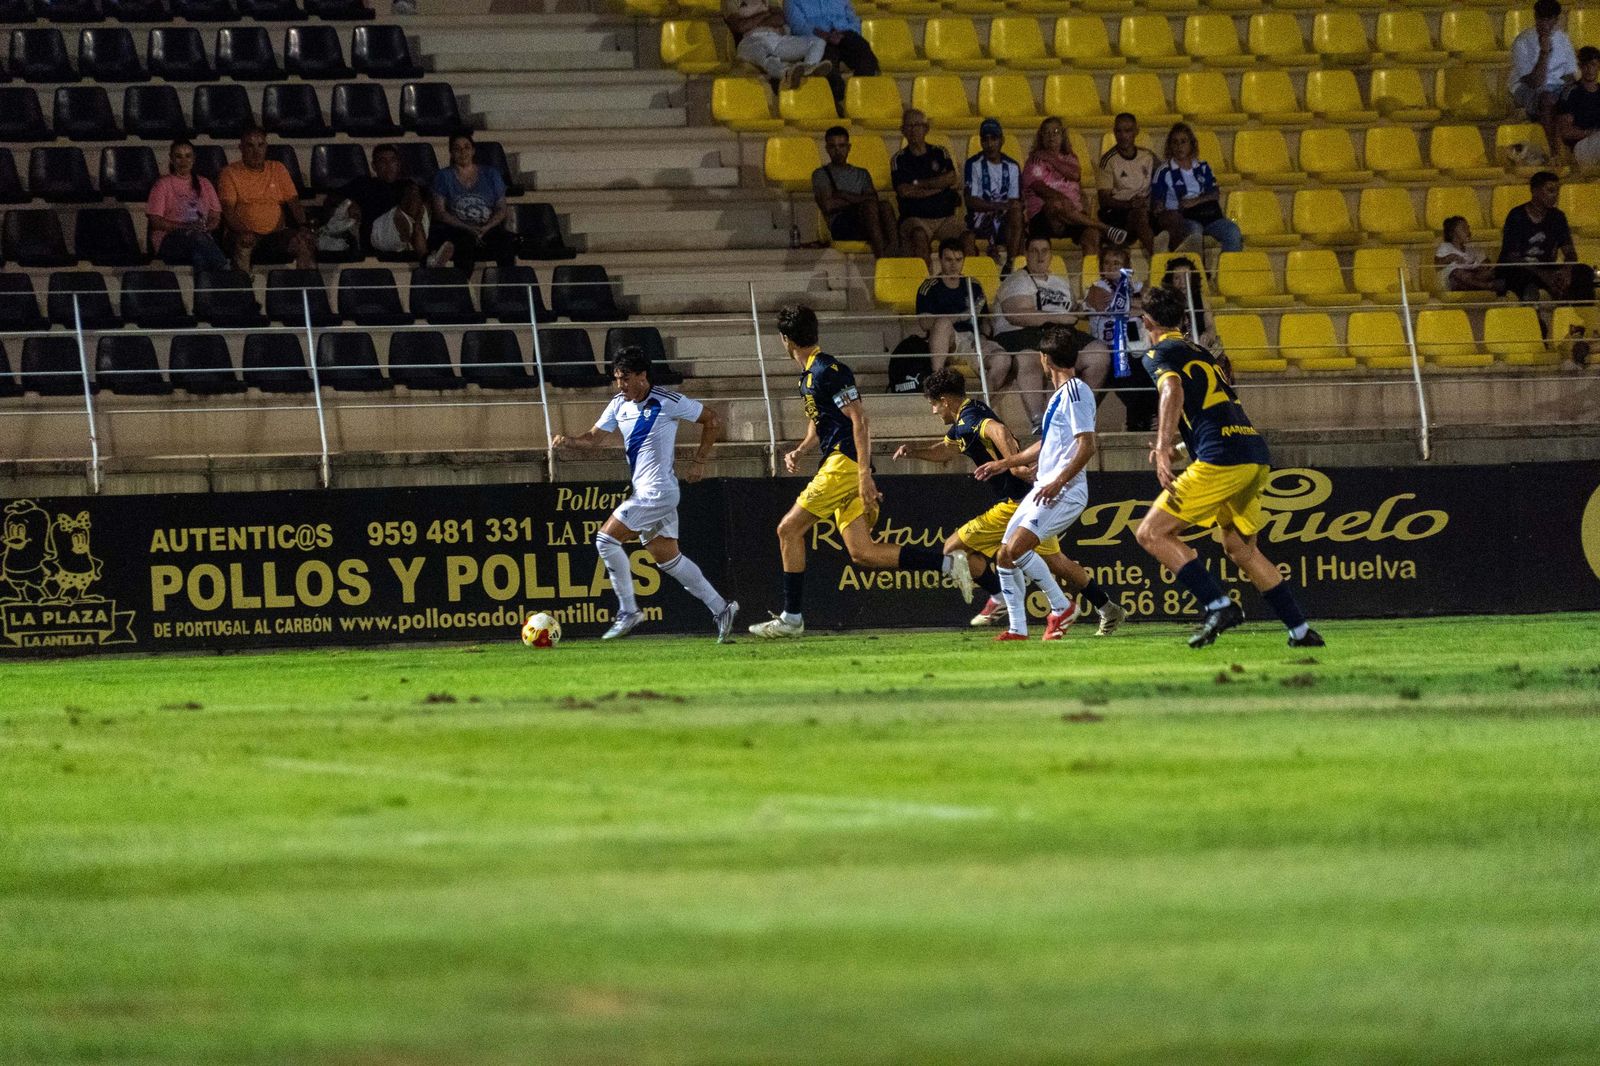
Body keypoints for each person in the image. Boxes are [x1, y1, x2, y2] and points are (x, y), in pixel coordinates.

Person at [747, 305, 975, 639]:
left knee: (788, 530)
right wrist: (801, 449)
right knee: (862, 552)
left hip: (846, 464)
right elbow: (821, 422)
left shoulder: (829, 369)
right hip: (839, 462)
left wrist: (864, 472)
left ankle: (792, 617)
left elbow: (861, 420)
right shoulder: (810, 375)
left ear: (785, 340)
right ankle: (949, 564)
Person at [1133, 286, 1323, 650]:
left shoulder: (1158, 353)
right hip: (1252, 452)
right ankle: (1300, 631)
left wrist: (1160, 448)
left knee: (1151, 533)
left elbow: (1171, 390)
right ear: (1183, 321)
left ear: (1146, 322)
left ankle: (1218, 605)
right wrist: (1177, 446)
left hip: (1223, 459)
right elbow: (1213, 408)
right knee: (1241, 549)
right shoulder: (1200, 351)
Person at [894, 364, 1127, 635]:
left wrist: (1012, 466)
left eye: (934, 405)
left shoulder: (970, 418)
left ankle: (1004, 597)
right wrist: (915, 452)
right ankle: (1107, 608)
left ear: (945, 400)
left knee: (955, 547)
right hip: (1027, 500)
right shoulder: (963, 421)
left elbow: (998, 431)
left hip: (1016, 501)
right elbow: (945, 451)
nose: (934, 411)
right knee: (1055, 562)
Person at [551, 346, 740, 643]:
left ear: (642, 376)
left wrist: (700, 461)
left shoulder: (668, 401)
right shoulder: (618, 404)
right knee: (668, 558)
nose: (620, 385)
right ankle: (722, 608)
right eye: (616, 378)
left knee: (605, 539)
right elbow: (594, 438)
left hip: (659, 491)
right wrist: (569, 442)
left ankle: (628, 610)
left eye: (625, 378)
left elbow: (712, 420)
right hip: (648, 492)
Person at [971, 326, 1099, 642]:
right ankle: (1018, 628)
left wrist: (1059, 481)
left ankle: (1061, 607)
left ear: (1045, 359)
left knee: (1015, 550)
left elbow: (1087, 445)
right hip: (1045, 487)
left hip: (1065, 490)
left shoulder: (1076, 392)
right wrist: (1004, 463)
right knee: (1004, 555)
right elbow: (1044, 445)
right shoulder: (1060, 395)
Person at [914, 238, 1031, 425]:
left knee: (1003, 360)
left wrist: (985, 333)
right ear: (940, 260)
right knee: (943, 323)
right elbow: (925, 323)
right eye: (949, 260)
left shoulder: (972, 285)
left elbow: (983, 319)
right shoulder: (930, 286)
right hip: (947, 339)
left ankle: (976, 408)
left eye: (958, 260)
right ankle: (938, 383)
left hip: (972, 338)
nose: (953, 265)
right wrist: (958, 317)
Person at [1496, 170, 1596, 312]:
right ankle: (1534, 323)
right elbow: (1512, 256)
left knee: (1583, 271)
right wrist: (1543, 275)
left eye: (1557, 191)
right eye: (1550, 190)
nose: (1555, 195)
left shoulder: (1558, 217)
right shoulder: (1516, 215)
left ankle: (1585, 318)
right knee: (1524, 280)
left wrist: (1566, 270)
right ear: (1535, 191)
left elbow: (1569, 251)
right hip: (1519, 269)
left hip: (1547, 267)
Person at [218, 125, 314, 271]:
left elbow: (294, 202)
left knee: (305, 242)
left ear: (266, 147)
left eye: (260, 145)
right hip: (242, 233)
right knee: (243, 243)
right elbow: (228, 211)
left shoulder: (278, 168)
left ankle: (305, 290)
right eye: (250, 146)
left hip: (276, 234)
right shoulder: (229, 172)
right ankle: (242, 289)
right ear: (241, 148)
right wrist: (244, 231)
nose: (256, 151)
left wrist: (303, 226)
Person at [1021, 116, 1118, 256]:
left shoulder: (1071, 158)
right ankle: (1104, 227)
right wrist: (1062, 198)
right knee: (1056, 204)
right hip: (1045, 216)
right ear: (1041, 136)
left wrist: (1051, 159)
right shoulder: (1034, 160)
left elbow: (1075, 175)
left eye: (1055, 132)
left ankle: (1090, 277)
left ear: (1062, 136)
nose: (1051, 137)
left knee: (1092, 235)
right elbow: (1039, 187)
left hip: (1072, 215)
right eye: (1047, 133)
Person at [891, 109, 969, 269]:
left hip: (945, 218)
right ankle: (927, 285)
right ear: (902, 130)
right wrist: (939, 187)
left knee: (968, 236)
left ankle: (965, 284)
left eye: (917, 125)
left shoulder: (940, 152)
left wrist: (918, 184)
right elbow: (904, 191)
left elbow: (951, 178)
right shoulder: (899, 159)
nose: (913, 130)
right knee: (918, 235)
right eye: (909, 126)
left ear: (926, 128)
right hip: (915, 218)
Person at [430, 132, 516, 275]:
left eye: (466, 147)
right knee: (464, 244)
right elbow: (440, 212)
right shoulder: (443, 177)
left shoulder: (491, 174)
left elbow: (501, 208)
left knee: (505, 242)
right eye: (457, 148)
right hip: (458, 227)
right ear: (451, 152)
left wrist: (487, 227)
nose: (463, 152)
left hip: (488, 226)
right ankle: (462, 288)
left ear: (473, 150)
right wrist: (467, 227)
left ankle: (507, 286)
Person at [1150, 122, 1241, 255]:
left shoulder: (1203, 167)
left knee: (1232, 231)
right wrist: (1159, 207)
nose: (1179, 146)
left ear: (1191, 144)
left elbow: (1214, 193)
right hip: (1183, 217)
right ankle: (1197, 272)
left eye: (1183, 142)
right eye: (1175, 142)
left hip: (1207, 216)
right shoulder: (1164, 171)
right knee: (1194, 230)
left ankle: (1229, 272)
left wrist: (1194, 201)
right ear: (1170, 146)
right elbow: (1157, 200)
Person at [1082, 246, 1146, 423]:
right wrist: (1138, 309)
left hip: (1135, 346)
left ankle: (1142, 422)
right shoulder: (1097, 287)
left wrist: (1134, 307)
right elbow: (1108, 306)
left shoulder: (1137, 286)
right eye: (1106, 263)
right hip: (1109, 348)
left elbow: (1151, 307)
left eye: (1116, 263)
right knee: (1129, 380)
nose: (1110, 267)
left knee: (1147, 374)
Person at [1509, 0, 1579, 159]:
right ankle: (1553, 151)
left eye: (1549, 19)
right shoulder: (1522, 42)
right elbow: (1535, 81)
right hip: (1526, 87)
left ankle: (1578, 151)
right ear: (1535, 18)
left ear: (1556, 20)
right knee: (1547, 98)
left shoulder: (1563, 39)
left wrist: (1573, 95)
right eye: (1541, 19)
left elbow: (1570, 75)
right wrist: (1544, 52)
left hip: (1558, 86)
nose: (1545, 24)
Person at [812, 126, 896, 257]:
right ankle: (883, 258)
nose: (837, 150)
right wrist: (861, 199)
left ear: (849, 147)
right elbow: (828, 206)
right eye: (833, 146)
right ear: (827, 149)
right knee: (870, 207)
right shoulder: (821, 174)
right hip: (841, 224)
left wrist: (845, 195)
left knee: (884, 205)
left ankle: (896, 252)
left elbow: (874, 198)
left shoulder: (861, 173)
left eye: (841, 146)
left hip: (865, 219)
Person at [145, 138, 227, 273]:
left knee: (199, 256)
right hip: (170, 241)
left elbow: (215, 216)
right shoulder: (162, 185)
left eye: (188, 156)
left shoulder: (204, 183)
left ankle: (203, 292)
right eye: (178, 156)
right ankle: (226, 273)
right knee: (195, 237)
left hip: (200, 239)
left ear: (194, 158)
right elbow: (155, 221)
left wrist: (207, 226)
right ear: (171, 159)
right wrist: (187, 227)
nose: (184, 161)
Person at [726, 0, 830, 90]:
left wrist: (753, 22)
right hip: (750, 41)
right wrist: (766, 15)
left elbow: (781, 18)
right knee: (765, 54)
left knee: (817, 40)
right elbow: (740, 27)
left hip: (777, 39)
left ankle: (808, 69)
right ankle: (786, 73)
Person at [963, 118, 1025, 268]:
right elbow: (971, 200)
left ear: (1001, 140)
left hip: (1004, 217)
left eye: (994, 139)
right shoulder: (973, 164)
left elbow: (1015, 201)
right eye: (985, 139)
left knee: (1017, 215)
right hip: (979, 218)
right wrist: (1000, 205)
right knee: (967, 237)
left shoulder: (1012, 166)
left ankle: (1011, 265)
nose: (990, 144)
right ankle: (974, 275)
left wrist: (1004, 207)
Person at [1097, 112, 1158, 258]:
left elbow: (1163, 180)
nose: (1123, 136)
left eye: (1128, 131)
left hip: (1145, 208)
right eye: (1119, 131)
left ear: (1136, 132)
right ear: (1114, 132)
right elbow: (1104, 200)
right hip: (1118, 213)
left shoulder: (1148, 157)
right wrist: (1130, 205)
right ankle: (1159, 257)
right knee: (1139, 215)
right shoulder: (1108, 160)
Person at [785, 0, 879, 88]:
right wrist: (825, 35)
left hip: (844, 34)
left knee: (866, 55)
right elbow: (798, 27)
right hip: (819, 38)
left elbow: (854, 21)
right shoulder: (793, 1)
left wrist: (842, 34)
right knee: (828, 67)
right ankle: (838, 98)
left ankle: (860, 93)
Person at [371, 181, 454, 267]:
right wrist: (418, 221)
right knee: (416, 231)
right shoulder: (398, 217)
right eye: (409, 196)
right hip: (385, 243)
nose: (412, 200)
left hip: (412, 246)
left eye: (416, 195)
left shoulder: (425, 208)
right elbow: (412, 240)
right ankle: (429, 261)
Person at [1434, 216, 1506, 294]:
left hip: (1474, 279)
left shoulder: (1473, 249)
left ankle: (1483, 285)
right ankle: (1489, 286)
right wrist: (1452, 257)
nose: (1468, 231)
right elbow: (1437, 264)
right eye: (1464, 229)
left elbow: (1487, 264)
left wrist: (1484, 266)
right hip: (1457, 283)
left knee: (1495, 271)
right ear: (1452, 233)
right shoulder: (1445, 246)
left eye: (1468, 228)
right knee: (1457, 273)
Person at [1555, 45, 1600, 167]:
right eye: (1585, 65)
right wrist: (1591, 133)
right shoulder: (1571, 92)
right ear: (1580, 66)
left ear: (1598, 66)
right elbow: (1565, 131)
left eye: (1593, 65)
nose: (1589, 69)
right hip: (1580, 146)